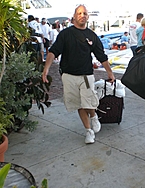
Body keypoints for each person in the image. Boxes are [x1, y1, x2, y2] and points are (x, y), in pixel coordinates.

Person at [42, 4, 115, 144]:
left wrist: (110, 73)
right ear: (74, 17)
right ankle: (88, 131)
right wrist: (46, 69)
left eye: (85, 13)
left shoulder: (92, 35)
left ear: (88, 17)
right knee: (79, 104)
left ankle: (93, 116)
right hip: (68, 75)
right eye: (80, 13)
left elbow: (101, 55)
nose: (82, 15)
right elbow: (53, 51)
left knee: (88, 101)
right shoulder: (65, 34)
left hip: (86, 75)